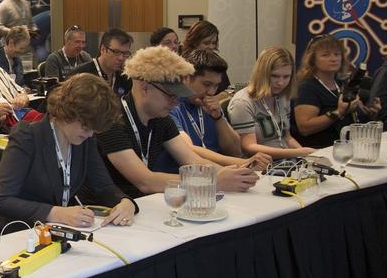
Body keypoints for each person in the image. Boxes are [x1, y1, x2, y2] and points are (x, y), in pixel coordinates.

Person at [98, 47, 261, 196]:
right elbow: (145, 181)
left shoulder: (161, 118)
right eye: (170, 95)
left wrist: (238, 175)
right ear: (145, 86)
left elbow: (193, 161)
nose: (176, 103)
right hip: (112, 211)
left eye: (178, 96)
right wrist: (213, 180)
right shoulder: (111, 120)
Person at [0, 74, 137, 230]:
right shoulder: (27, 136)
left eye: (94, 129)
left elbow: (103, 186)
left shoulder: (84, 140)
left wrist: (125, 202)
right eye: (86, 127)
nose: (90, 134)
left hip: (58, 229)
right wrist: (56, 213)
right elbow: (2, 201)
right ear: (67, 112)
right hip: (22, 230)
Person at [159, 48, 271, 173]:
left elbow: (235, 151)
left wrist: (219, 118)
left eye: (216, 85)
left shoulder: (210, 105)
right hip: (186, 176)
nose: (211, 92)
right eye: (207, 84)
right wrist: (244, 163)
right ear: (187, 78)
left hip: (218, 173)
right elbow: (188, 149)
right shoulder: (171, 105)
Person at [293, 34, 382, 148]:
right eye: (326, 55)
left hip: (349, 146)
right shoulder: (308, 87)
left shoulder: (342, 84)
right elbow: (305, 128)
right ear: (312, 60)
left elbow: (354, 121)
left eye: (337, 54)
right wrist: (339, 112)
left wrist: (371, 113)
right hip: (321, 149)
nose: (333, 59)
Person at [227, 47, 311, 159]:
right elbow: (248, 146)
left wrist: (308, 156)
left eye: (286, 77)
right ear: (262, 74)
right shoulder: (242, 102)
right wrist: (297, 153)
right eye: (275, 76)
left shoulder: (282, 97)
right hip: (262, 163)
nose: (281, 83)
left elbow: (287, 137)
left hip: (287, 160)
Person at [70, 27, 132, 97]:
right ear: (103, 49)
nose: (121, 58)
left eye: (125, 53)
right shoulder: (80, 75)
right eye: (116, 52)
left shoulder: (125, 79)